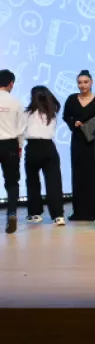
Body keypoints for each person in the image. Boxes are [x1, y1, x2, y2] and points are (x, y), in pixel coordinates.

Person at [21, 85, 65, 226]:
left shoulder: (26, 114)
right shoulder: (52, 112)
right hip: (49, 147)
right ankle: (58, 215)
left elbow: (21, 132)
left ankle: (35, 213)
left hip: (33, 147)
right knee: (54, 182)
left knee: (32, 181)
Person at [63, 70, 95, 222]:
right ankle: (80, 212)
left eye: (86, 82)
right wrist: (73, 123)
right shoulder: (71, 99)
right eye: (80, 82)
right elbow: (66, 116)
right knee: (79, 175)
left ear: (91, 82)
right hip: (78, 141)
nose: (82, 85)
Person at [0, 70, 23, 234]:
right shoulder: (16, 102)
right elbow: (21, 129)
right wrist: (20, 146)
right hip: (10, 145)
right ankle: (12, 213)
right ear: (11, 84)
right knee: (12, 182)